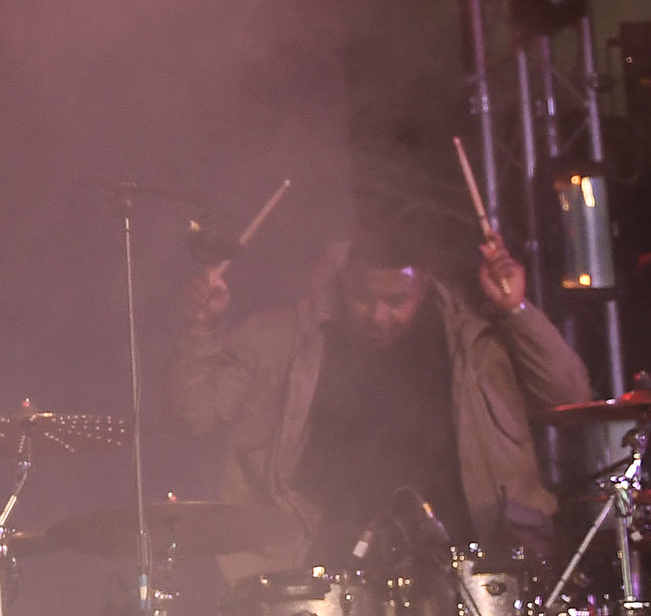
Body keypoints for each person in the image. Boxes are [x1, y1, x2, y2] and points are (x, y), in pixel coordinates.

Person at [168, 226, 594, 572]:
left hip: (477, 567)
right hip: (323, 572)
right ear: (344, 281)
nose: (378, 314)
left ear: (423, 287)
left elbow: (571, 398)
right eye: (363, 297)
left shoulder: (478, 340)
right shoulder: (275, 340)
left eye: (396, 301)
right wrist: (202, 329)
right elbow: (196, 416)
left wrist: (516, 311)